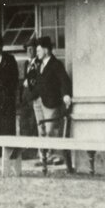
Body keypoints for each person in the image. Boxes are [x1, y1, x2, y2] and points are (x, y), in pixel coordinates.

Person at [33, 36, 72, 168]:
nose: (36, 52)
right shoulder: (39, 64)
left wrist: (66, 94)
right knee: (41, 130)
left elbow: (64, 80)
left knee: (51, 129)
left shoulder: (56, 64)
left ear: (46, 50)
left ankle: (56, 156)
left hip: (51, 102)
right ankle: (44, 157)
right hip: (38, 101)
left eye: (38, 50)